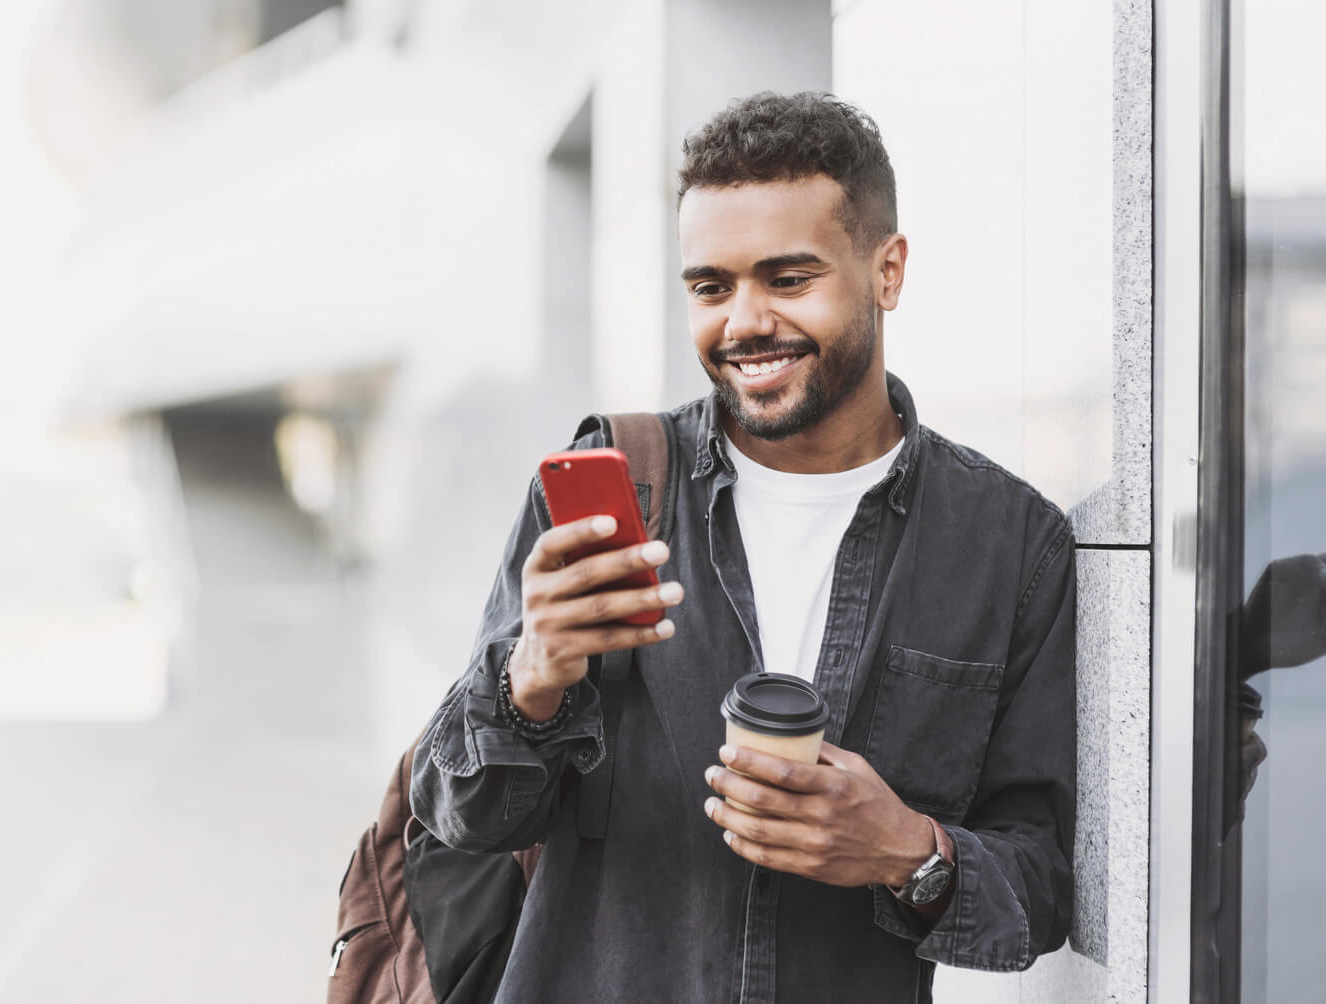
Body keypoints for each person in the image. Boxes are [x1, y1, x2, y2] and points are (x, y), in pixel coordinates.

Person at [410, 91, 1076, 1002]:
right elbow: (459, 817)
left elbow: (1041, 887)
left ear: (888, 272)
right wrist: (531, 682)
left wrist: (909, 853)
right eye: (711, 286)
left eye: (788, 278)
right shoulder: (612, 491)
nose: (744, 323)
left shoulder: (1009, 544)